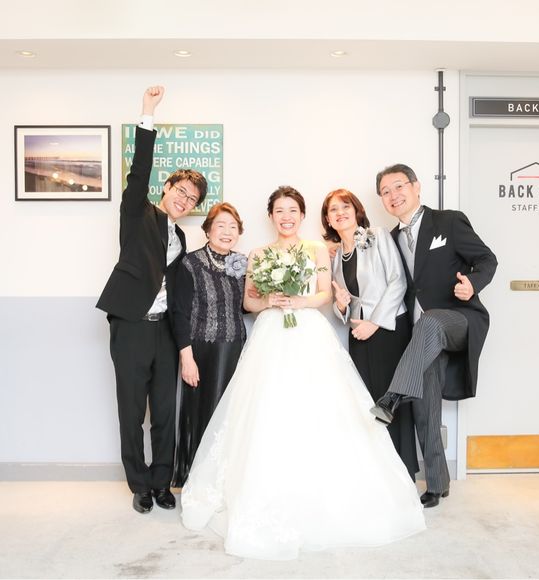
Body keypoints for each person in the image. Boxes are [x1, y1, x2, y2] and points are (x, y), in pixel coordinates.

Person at [180, 186, 425, 561]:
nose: (286, 217)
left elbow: (325, 293)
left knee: (319, 409)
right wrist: (269, 300)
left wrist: (298, 301)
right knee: (268, 411)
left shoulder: (316, 250)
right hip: (270, 333)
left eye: (292, 210)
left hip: (309, 331)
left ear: (302, 214)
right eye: (279, 211)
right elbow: (249, 300)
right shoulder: (259, 254)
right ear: (271, 216)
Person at [96, 86, 207, 514]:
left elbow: (177, 296)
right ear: (167, 187)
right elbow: (138, 170)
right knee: (131, 411)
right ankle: (139, 484)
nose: (184, 200)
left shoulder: (182, 237)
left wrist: (182, 345)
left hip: (164, 333)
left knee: (164, 411)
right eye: (181, 191)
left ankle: (162, 483)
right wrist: (147, 112)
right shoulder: (136, 212)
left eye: (192, 199)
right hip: (130, 325)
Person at [370, 164, 497, 508]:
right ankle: (437, 484)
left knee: (430, 322)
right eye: (385, 192)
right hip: (423, 339)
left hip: (459, 320)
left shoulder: (448, 221)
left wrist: (473, 284)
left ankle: (392, 397)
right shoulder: (391, 240)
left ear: (416, 187)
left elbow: (487, 259)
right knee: (425, 408)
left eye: (399, 186)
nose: (393, 195)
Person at [321, 188, 418, 480]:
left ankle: (404, 472)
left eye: (345, 206)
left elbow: (398, 281)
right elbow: (343, 304)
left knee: (393, 401)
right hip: (359, 335)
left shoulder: (377, 236)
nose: (340, 213)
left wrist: (374, 323)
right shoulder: (335, 258)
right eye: (333, 210)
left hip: (388, 328)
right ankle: (381, 475)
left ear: (357, 210)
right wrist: (340, 306)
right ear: (328, 220)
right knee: (368, 403)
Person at [171, 202, 247, 487]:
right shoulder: (191, 264)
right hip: (201, 351)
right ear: (207, 230)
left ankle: (224, 480)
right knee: (202, 413)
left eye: (233, 227)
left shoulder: (243, 263)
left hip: (236, 349)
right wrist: (186, 358)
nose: (227, 232)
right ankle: (197, 480)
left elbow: (246, 306)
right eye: (220, 226)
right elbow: (179, 313)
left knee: (230, 416)